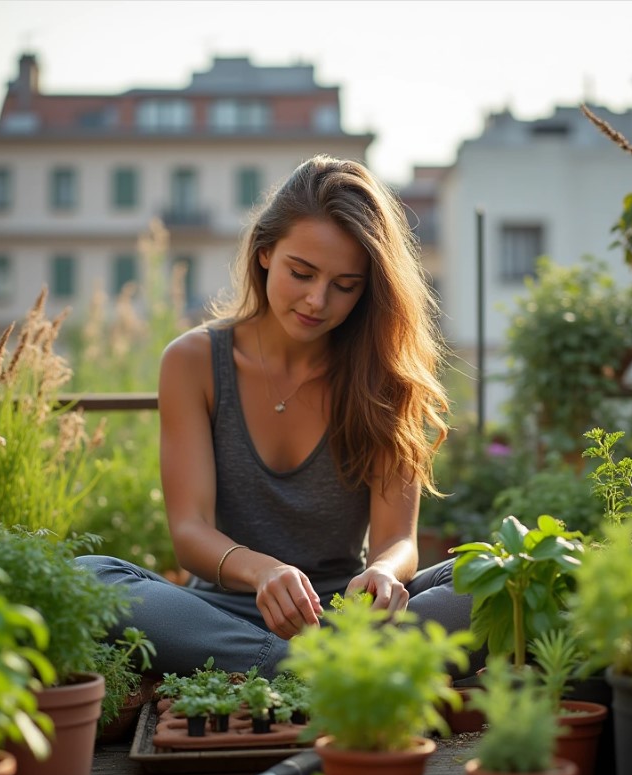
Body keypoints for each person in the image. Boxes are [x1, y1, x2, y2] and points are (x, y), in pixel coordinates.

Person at [77, 155, 481, 680]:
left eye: (345, 284)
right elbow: (190, 531)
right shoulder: (193, 361)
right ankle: (327, 671)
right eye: (302, 273)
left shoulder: (383, 375)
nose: (318, 300)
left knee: (507, 576)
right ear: (265, 253)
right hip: (225, 615)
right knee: (88, 577)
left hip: (349, 616)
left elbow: (397, 540)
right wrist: (264, 572)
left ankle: (298, 670)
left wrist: (382, 572)